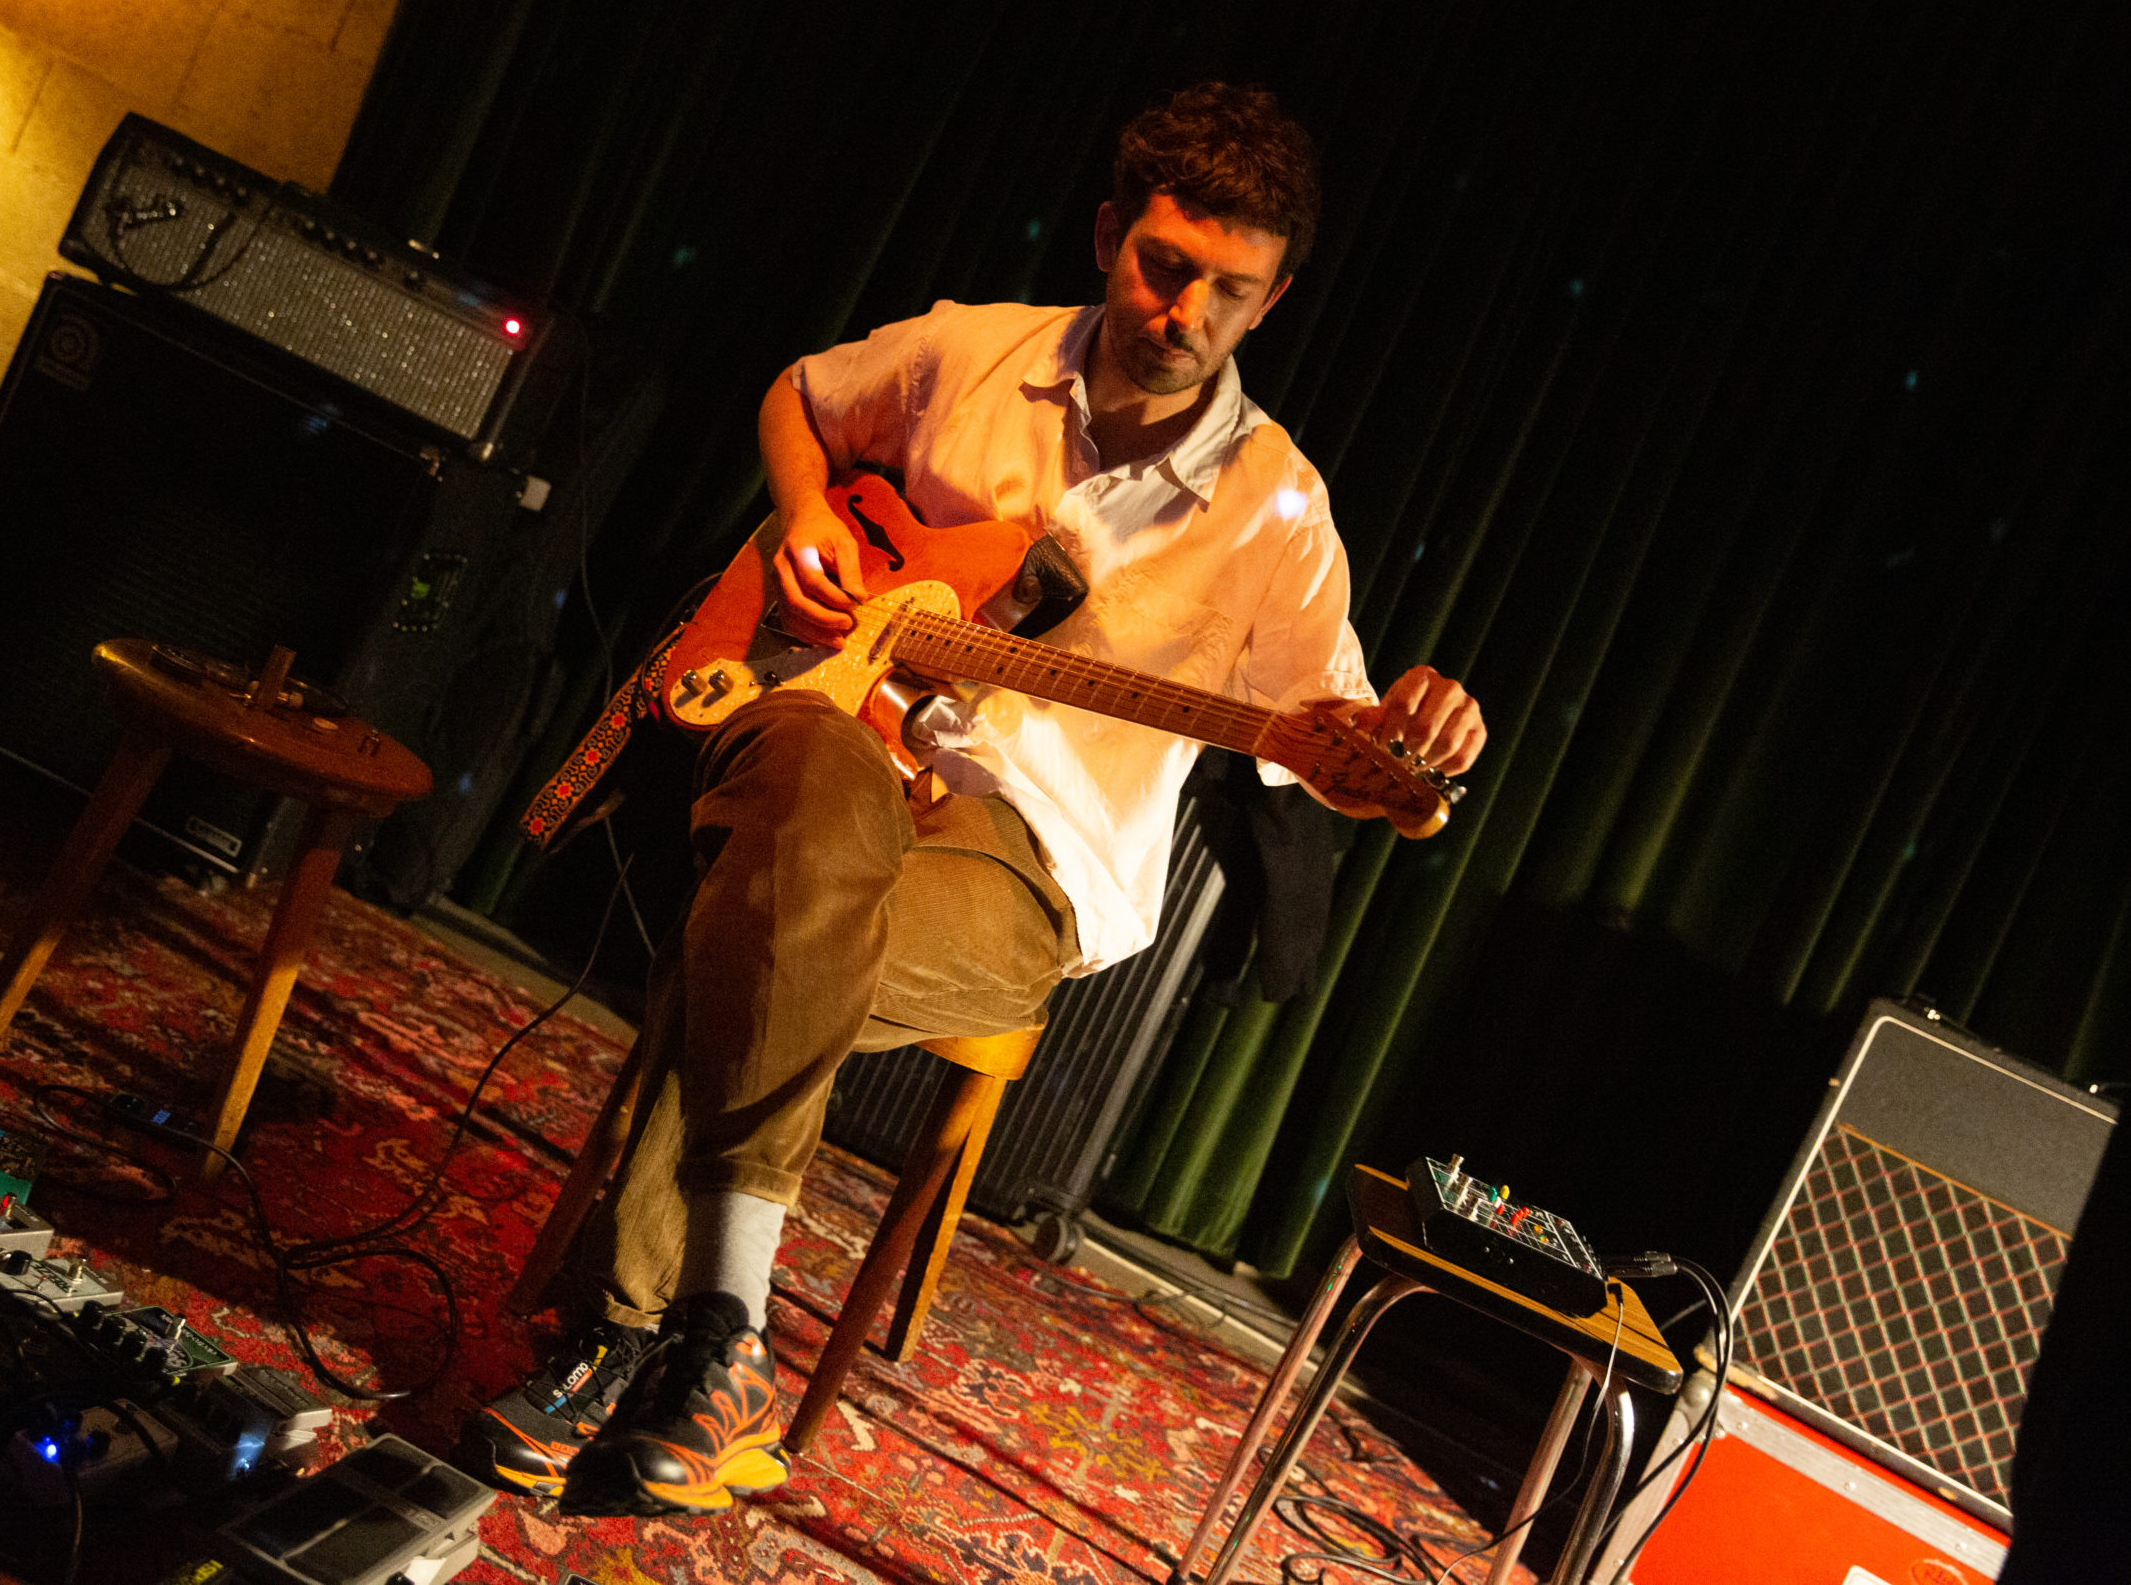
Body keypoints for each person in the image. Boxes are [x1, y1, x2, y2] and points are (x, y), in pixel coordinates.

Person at [457, 83, 1487, 1517]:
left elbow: (1336, 734)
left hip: (1034, 858)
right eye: (1164, 264)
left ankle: (638, 1334)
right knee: (800, 814)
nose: (1185, 311)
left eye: (1229, 291)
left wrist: (1417, 735)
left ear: (1275, 302)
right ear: (1108, 235)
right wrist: (807, 518)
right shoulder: (971, 349)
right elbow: (799, 396)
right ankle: (715, 1350)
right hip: (830, 745)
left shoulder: (1282, 513)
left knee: (759, 933)